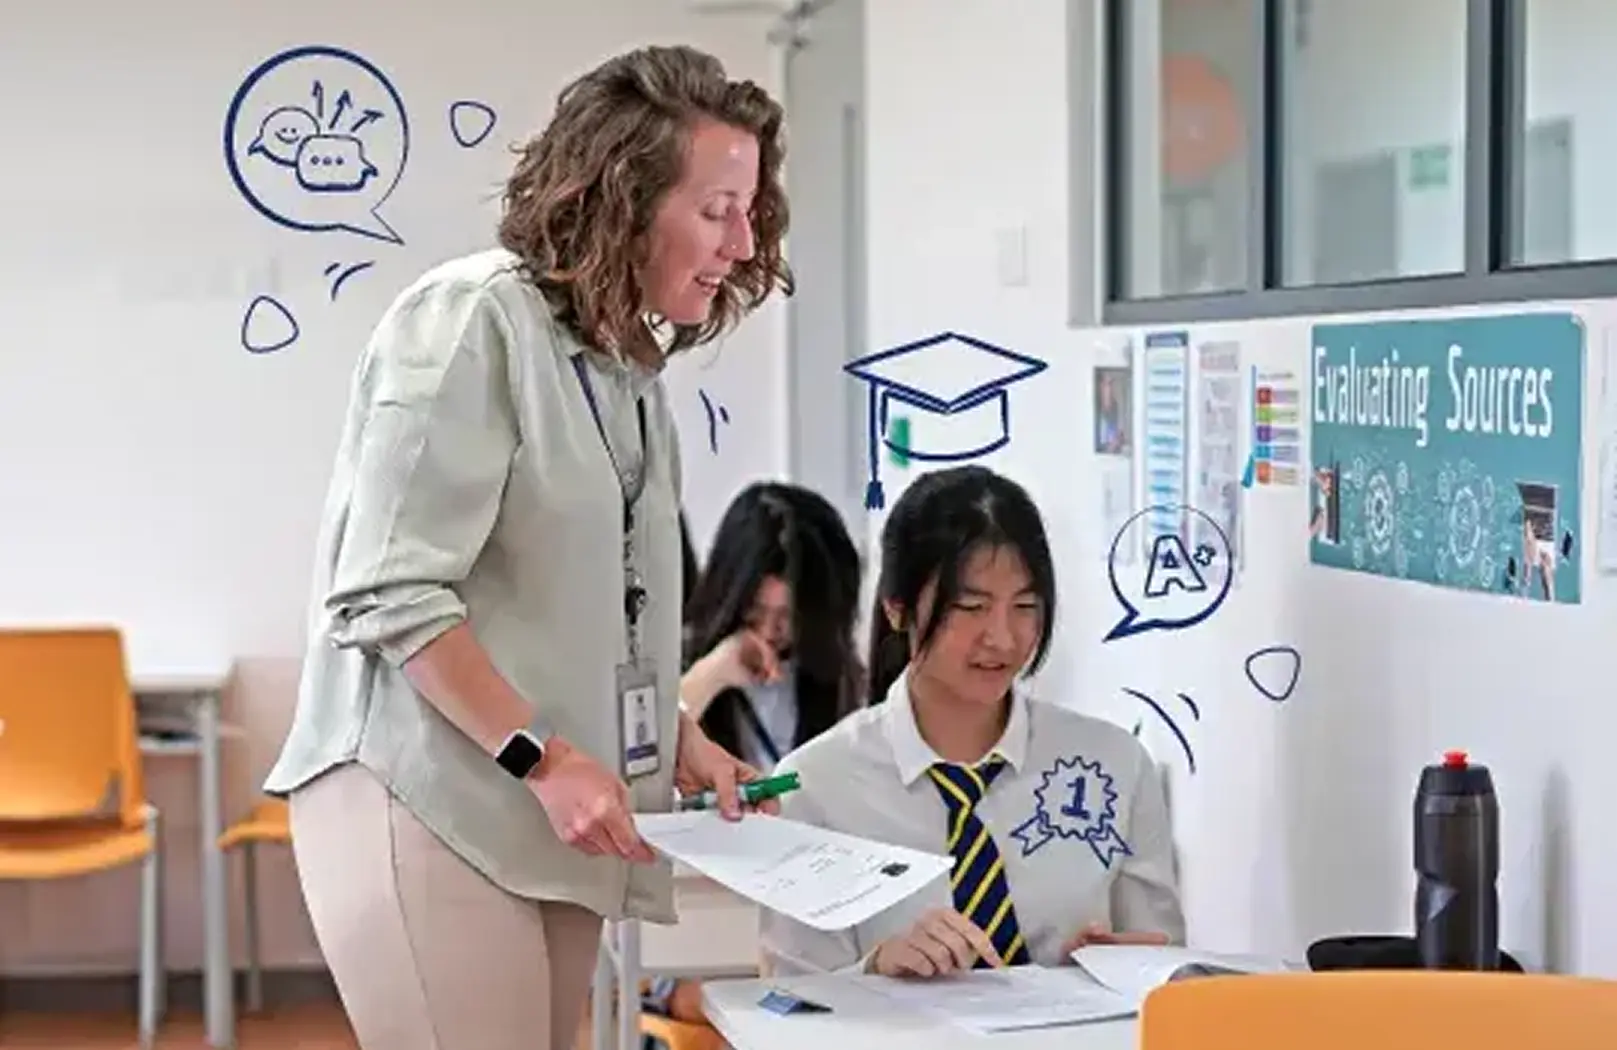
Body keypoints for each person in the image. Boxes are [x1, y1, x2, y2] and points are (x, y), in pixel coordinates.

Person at [262, 45, 793, 1050]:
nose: (742, 240)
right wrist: (543, 758)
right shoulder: (471, 318)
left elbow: (596, 606)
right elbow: (389, 592)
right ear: (625, 200)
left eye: (752, 209)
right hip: (430, 794)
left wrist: (675, 739)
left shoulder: (624, 366)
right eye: (717, 208)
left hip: (546, 812)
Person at [759, 465, 1186, 978]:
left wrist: (1122, 967)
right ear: (898, 609)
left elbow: (1167, 976)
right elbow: (788, 1011)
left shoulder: (1114, 767)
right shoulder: (815, 786)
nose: (1003, 639)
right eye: (970, 606)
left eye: (1025, 606)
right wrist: (875, 971)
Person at [644, 482, 865, 1028]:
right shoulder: (678, 664)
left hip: (798, 935)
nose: (770, 632)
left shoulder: (838, 684)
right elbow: (641, 761)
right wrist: (713, 675)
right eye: (756, 610)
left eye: (788, 617)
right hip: (691, 946)